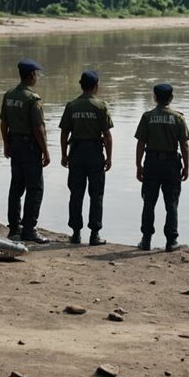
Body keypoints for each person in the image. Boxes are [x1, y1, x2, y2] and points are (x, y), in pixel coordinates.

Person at [58, 70, 114, 246]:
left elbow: (64, 133)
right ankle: (94, 234)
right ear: (96, 86)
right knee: (96, 194)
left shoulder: (72, 106)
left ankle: (75, 233)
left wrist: (64, 155)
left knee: (76, 194)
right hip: (95, 154)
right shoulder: (101, 106)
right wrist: (109, 157)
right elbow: (107, 136)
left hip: (76, 153)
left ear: (81, 85)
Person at [134, 83, 189, 252]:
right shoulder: (178, 118)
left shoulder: (147, 117)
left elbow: (141, 143)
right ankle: (171, 241)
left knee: (149, 202)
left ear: (155, 97)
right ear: (171, 98)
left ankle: (146, 240)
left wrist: (138, 165)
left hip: (151, 162)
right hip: (171, 164)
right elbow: (184, 145)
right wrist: (186, 167)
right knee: (171, 203)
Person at [0, 58, 51, 244]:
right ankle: (29, 230)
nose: (37, 77)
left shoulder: (9, 95)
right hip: (30, 147)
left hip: (15, 145)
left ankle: (14, 228)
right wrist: (46, 151)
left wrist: (6, 144)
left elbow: (4, 123)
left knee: (16, 187)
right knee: (35, 188)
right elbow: (38, 128)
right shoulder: (32, 99)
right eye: (36, 74)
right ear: (31, 76)